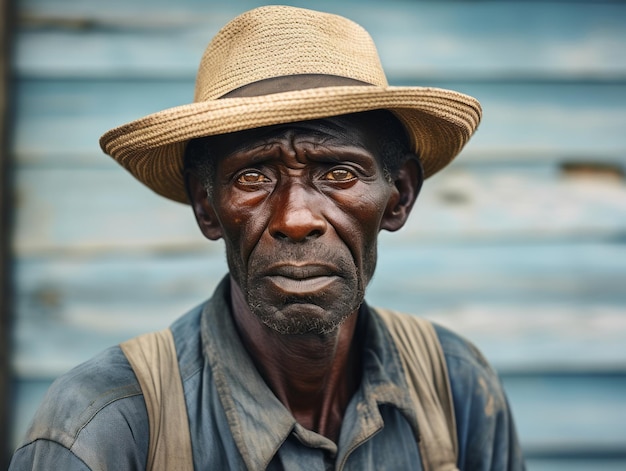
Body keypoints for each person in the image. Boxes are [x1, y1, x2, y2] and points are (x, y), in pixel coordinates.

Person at [10, 5, 525, 470]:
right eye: (253, 177)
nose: (296, 218)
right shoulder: (105, 426)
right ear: (206, 206)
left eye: (339, 173)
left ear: (400, 195)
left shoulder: (455, 387)